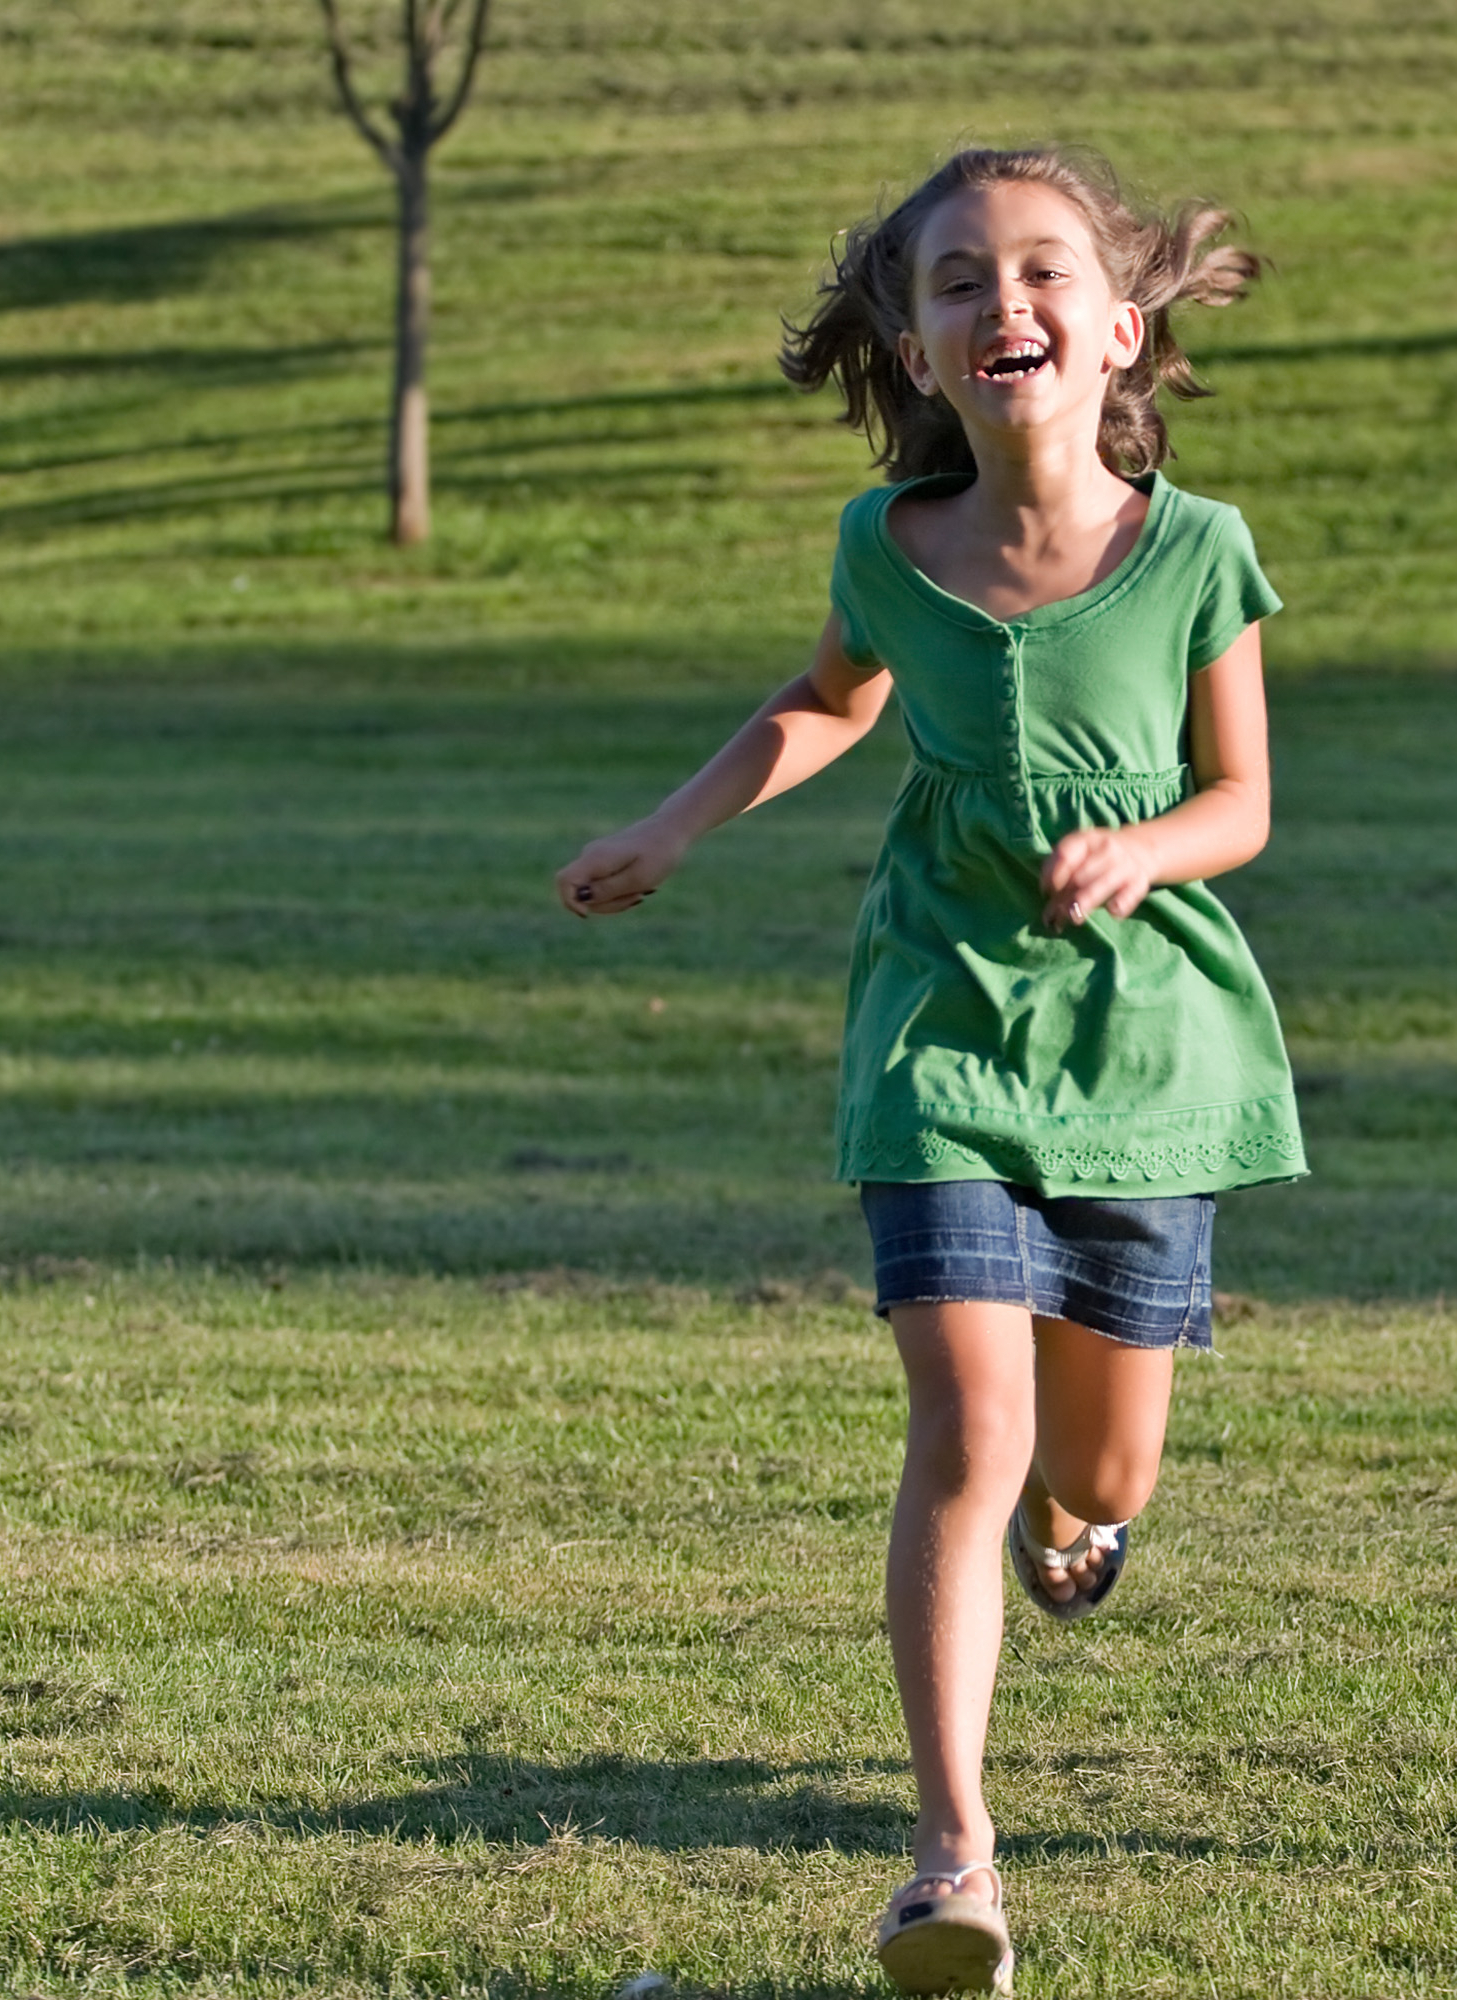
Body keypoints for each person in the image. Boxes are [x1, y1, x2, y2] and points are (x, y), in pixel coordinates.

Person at [555, 146, 1301, 1994]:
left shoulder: (1196, 553)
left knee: (1094, 1454)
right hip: (939, 1028)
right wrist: (673, 827)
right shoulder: (886, 550)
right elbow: (824, 702)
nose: (1000, 301)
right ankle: (950, 1857)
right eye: (955, 278)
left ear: (1121, 329)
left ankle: (1086, 1514)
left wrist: (1149, 848)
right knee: (965, 1433)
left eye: (1040, 269)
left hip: (1147, 1044)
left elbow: (1246, 802)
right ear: (913, 337)